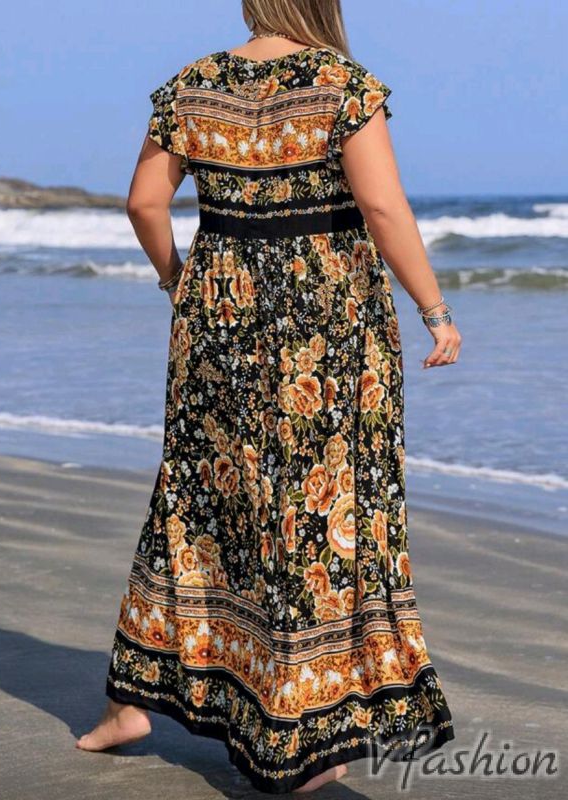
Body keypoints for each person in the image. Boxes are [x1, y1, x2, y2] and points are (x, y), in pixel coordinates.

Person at [76, 0, 460, 793]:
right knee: (318, 512)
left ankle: (128, 704)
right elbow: (382, 207)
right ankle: (300, 729)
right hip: (327, 323)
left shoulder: (191, 84)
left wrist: (176, 280)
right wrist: (434, 310)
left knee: (195, 498)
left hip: (218, 309)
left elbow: (143, 203)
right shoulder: (340, 84)